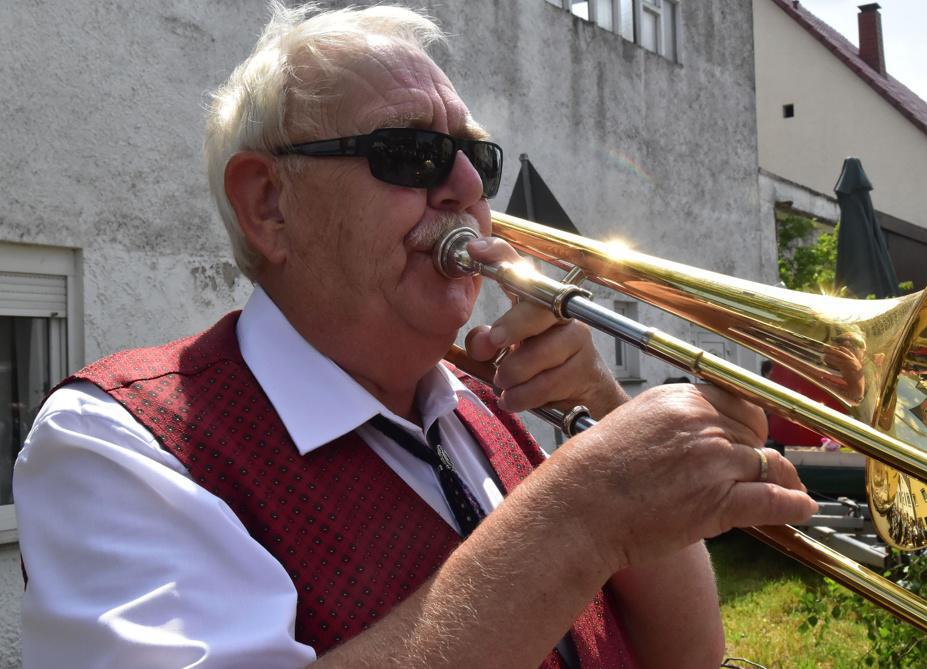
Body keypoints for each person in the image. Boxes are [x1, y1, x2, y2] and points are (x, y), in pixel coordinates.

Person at [14, 4, 817, 668]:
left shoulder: (483, 403)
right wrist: (584, 509)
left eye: (476, 158)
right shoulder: (112, 444)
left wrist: (602, 411)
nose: (467, 189)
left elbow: (690, 654)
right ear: (269, 206)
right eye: (411, 154)